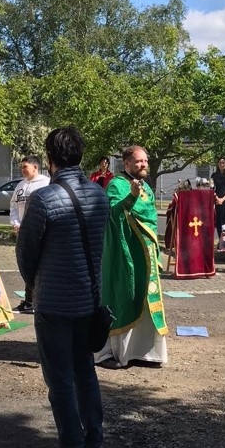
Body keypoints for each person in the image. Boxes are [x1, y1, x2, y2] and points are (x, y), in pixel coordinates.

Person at [16, 125, 110, 448]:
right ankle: (92, 447)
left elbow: (26, 253)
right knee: (85, 371)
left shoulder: (44, 198)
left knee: (59, 379)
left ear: (50, 158)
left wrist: (34, 286)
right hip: (89, 298)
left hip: (55, 302)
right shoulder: (99, 195)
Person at [96, 145, 168, 368]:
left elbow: (151, 219)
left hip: (146, 252)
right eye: (139, 161)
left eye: (145, 160)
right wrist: (131, 197)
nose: (144, 164)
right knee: (125, 296)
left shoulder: (147, 186)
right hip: (125, 253)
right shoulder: (116, 185)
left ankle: (145, 352)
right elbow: (113, 213)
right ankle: (114, 352)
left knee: (145, 298)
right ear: (126, 164)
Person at [10, 155, 50, 314]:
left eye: (25, 166)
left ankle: (35, 300)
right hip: (22, 233)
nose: (22, 170)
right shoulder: (20, 185)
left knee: (38, 266)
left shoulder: (46, 183)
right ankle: (29, 300)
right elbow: (13, 205)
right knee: (26, 265)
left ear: (35, 167)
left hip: (38, 234)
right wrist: (15, 223)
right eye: (21, 167)